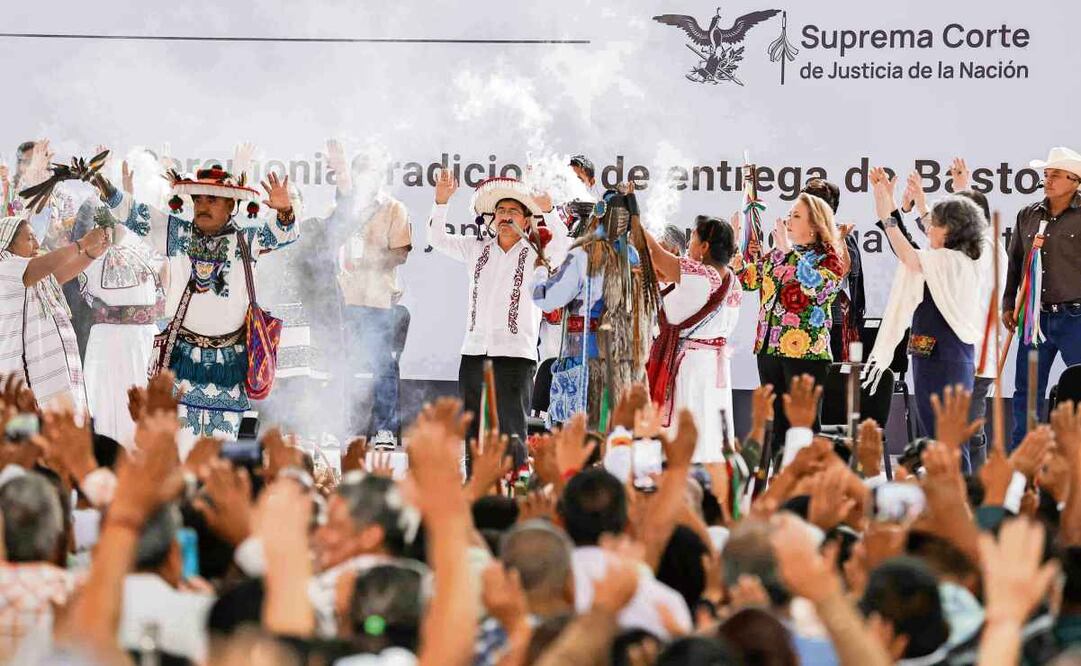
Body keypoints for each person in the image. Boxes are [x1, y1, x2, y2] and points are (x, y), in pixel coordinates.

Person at [95, 159, 299, 443]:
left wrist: (286, 210)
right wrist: (105, 189)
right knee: (177, 448)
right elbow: (134, 215)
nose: (202, 205)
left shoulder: (247, 239)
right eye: (198, 198)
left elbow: (283, 234)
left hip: (229, 364)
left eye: (213, 199)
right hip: (182, 361)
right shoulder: (177, 234)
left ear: (231, 206)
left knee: (219, 454)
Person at [427, 170, 568, 444]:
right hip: (474, 353)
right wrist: (441, 201)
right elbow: (437, 239)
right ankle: (476, 485)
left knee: (512, 433)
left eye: (512, 211)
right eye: (500, 210)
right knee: (473, 433)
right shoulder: (477, 248)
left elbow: (564, 247)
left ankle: (513, 485)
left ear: (526, 220)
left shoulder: (537, 251)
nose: (504, 216)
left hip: (516, 356)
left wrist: (548, 208)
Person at [864, 168, 988, 471]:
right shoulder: (948, 259)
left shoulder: (953, 261)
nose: (928, 228)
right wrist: (888, 207)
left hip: (946, 359)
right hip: (930, 357)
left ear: (951, 229)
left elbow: (909, 255)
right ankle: (946, 501)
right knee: (938, 438)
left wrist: (889, 217)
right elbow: (915, 249)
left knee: (947, 440)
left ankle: (957, 504)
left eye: (934, 224)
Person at [531, 188, 657, 429]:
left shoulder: (583, 255)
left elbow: (546, 298)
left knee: (580, 440)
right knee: (616, 435)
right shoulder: (637, 258)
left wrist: (539, 272)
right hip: (626, 365)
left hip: (583, 366)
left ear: (598, 216)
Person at [734, 192, 846, 453]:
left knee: (802, 429)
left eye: (796, 216)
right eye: (789, 214)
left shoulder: (829, 257)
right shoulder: (778, 254)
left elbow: (818, 289)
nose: (789, 220)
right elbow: (747, 280)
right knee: (775, 428)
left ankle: (803, 488)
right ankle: (776, 483)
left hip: (806, 355)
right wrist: (736, 242)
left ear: (815, 225)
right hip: (769, 350)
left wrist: (789, 252)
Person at [331, 143, 413, 445]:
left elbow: (401, 253)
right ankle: (339, 428)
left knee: (384, 366)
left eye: (374, 172)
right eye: (362, 171)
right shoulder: (341, 209)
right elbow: (325, 246)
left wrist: (369, 260)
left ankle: (384, 430)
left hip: (379, 301)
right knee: (340, 365)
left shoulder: (393, 208)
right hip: (345, 299)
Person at [643, 215, 742, 461]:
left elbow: (655, 254)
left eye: (693, 239)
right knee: (710, 431)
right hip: (715, 367)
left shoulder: (700, 274)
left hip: (690, 367)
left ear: (705, 247)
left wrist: (634, 218)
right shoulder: (733, 279)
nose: (689, 245)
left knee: (687, 425)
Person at [1003, 147, 1081, 449]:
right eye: (1046, 175)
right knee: (1027, 390)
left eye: (1056, 176)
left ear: (1074, 180)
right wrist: (1009, 304)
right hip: (1034, 319)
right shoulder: (1027, 215)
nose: (1047, 181)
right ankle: (1023, 459)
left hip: (1075, 317)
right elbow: (1015, 263)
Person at [75, 200, 166, 446]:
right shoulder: (89, 253)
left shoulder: (141, 248)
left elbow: (165, 276)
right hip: (109, 339)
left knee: (143, 403)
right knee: (109, 402)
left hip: (145, 338)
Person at [0, 216, 109, 412]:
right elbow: (48, 265)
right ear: (8, 243)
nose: (37, 243)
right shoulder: (5, 268)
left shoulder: (33, 276)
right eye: (29, 238)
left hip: (45, 379)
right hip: (26, 381)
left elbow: (60, 274)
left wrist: (90, 254)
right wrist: (83, 243)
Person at [802, 178, 865, 363]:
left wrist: (839, 240)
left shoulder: (841, 233)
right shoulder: (797, 234)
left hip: (833, 309)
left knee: (834, 370)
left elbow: (843, 272)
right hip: (799, 310)